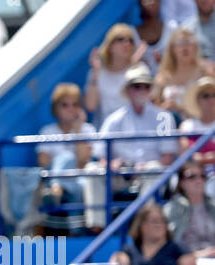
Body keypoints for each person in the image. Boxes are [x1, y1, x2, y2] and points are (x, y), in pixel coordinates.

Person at [36, 83, 105, 231]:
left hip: (79, 181)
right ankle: (57, 188)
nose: (70, 109)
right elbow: (42, 162)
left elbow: (82, 162)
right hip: (53, 180)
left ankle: (57, 191)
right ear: (56, 108)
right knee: (66, 158)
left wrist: (78, 130)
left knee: (81, 184)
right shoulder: (47, 131)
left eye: (75, 105)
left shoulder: (87, 130)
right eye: (65, 105)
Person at [100, 65, 180, 179]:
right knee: (92, 170)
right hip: (120, 177)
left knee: (154, 168)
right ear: (127, 90)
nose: (142, 91)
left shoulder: (164, 118)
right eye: (137, 86)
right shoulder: (113, 119)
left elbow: (168, 157)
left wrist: (145, 167)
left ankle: (146, 196)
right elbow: (102, 157)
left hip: (151, 176)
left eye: (146, 86)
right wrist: (112, 165)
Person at [111, 200, 197, 265]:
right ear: (141, 225)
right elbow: (118, 263)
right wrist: (118, 261)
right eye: (154, 221)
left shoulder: (177, 248)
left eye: (162, 221)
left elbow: (191, 263)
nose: (159, 225)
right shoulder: (131, 250)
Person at [86, 24, 143, 126]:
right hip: (104, 132)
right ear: (110, 45)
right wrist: (95, 73)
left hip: (133, 132)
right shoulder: (97, 71)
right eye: (120, 39)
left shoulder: (139, 70)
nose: (127, 43)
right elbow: (90, 106)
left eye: (130, 40)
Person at [153, 27, 215, 118]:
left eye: (189, 42)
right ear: (172, 48)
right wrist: (164, 108)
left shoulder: (205, 71)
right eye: (180, 43)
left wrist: (180, 109)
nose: (185, 47)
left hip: (200, 126)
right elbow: (154, 108)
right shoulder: (163, 76)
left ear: (195, 47)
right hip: (172, 127)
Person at [165, 161, 215, 257]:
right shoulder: (170, 210)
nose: (199, 180)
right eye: (192, 176)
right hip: (186, 262)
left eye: (203, 176)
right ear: (181, 182)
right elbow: (169, 243)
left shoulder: (214, 205)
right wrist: (197, 255)